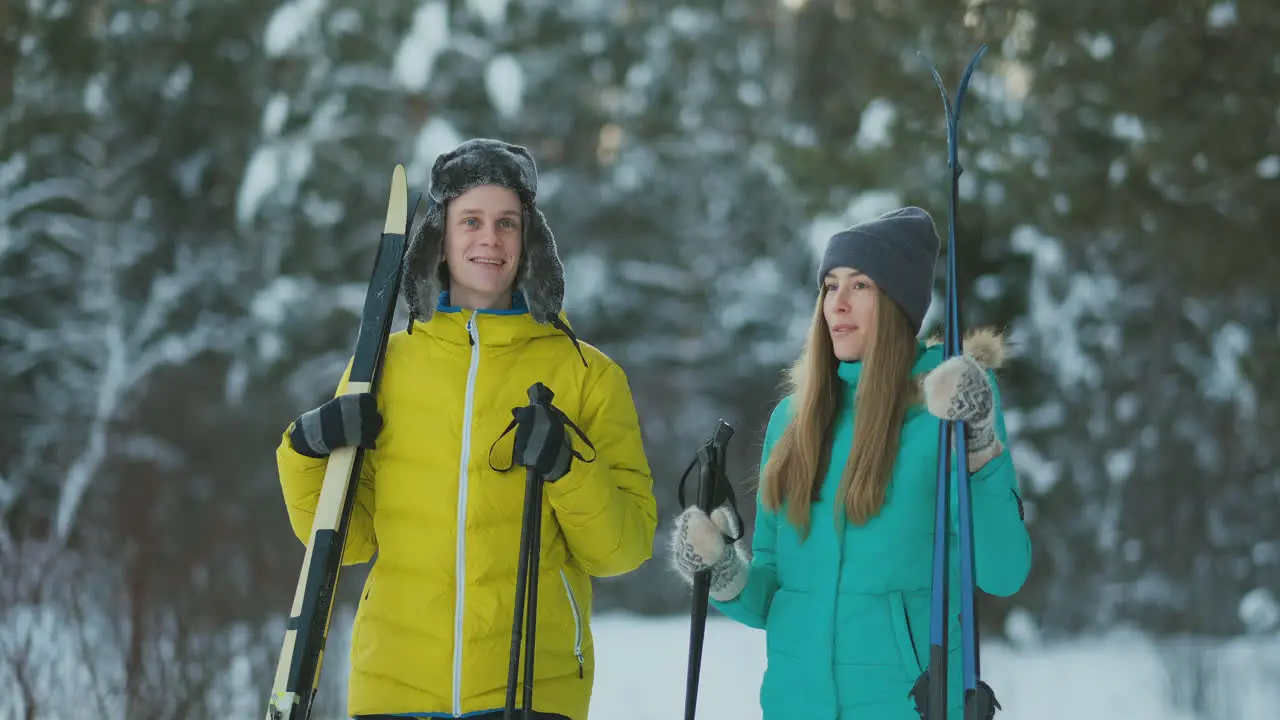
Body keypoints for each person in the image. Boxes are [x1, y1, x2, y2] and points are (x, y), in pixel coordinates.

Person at [276, 138, 658, 720]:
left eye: (508, 222)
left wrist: (567, 466)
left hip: (530, 689)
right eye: (471, 220)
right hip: (394, 687)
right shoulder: (381, 365)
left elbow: (624, 548)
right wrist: (304, 452)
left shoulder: (587, 375)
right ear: (440, 237)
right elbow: (346, 541)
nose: (490, 239)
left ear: (531, 239)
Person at [668, 207, 1032, 719]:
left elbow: (1003, 571)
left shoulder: (948, 409)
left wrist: (981, 446)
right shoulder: (794, 420)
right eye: (829, 286)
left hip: (907, 707)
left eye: (860, 285)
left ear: (899, 302)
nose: (836, 304)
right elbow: (779, 594)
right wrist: (724, 571)